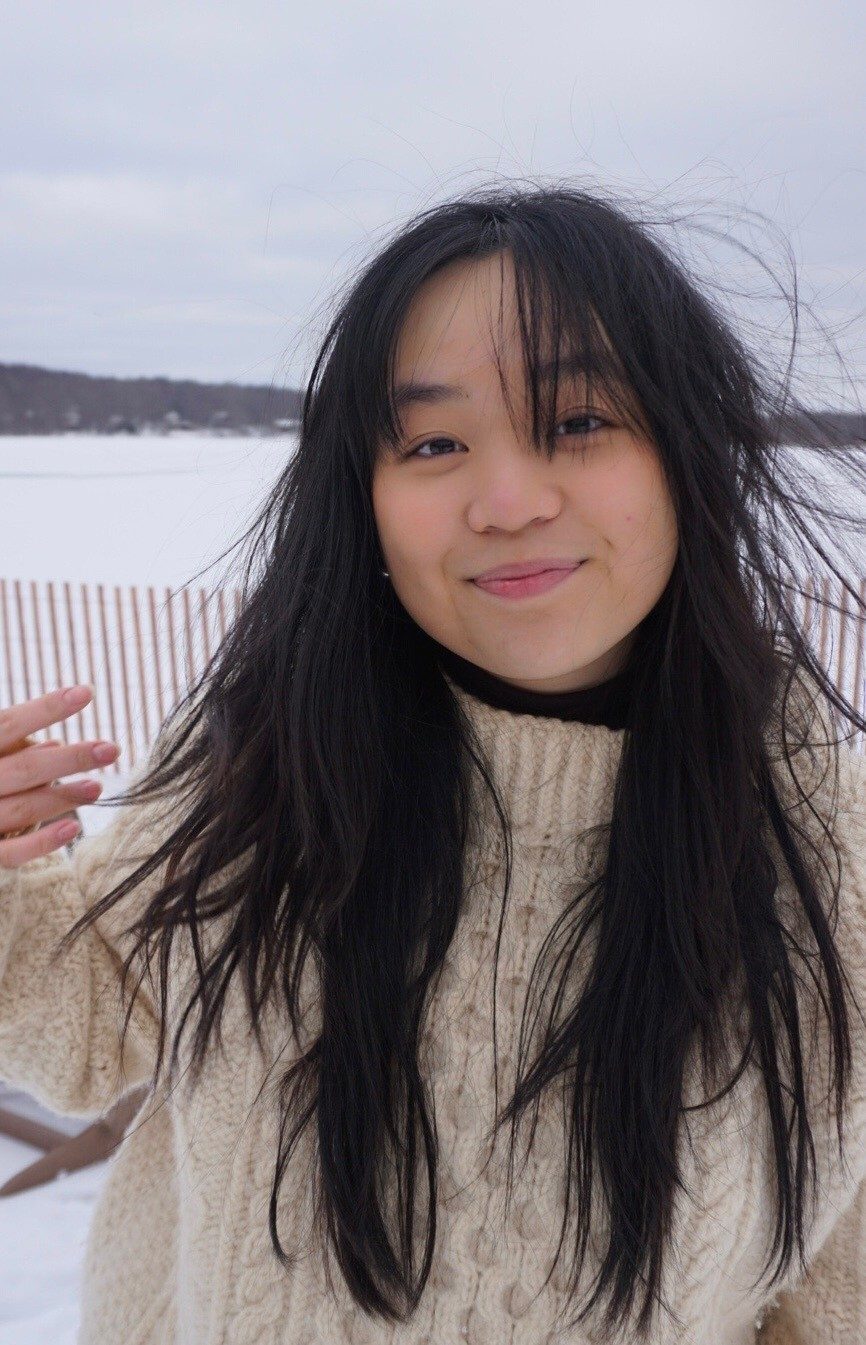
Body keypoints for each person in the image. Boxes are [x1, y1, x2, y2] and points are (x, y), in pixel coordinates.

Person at [1, 183, 866, 1345]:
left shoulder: (827, 850)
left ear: (687, 447)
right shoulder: (270, 754)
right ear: (366, 495)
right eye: (435, 442)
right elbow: (81, 1012)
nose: (506, 502)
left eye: (576, 423)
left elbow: (830, 1297)